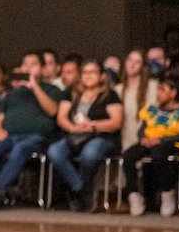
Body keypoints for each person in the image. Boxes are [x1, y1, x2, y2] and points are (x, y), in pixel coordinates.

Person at [0, 52, 64, 208]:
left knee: (20, 149)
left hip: (35, 137)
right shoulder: (13, 94)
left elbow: (52, 110)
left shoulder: (52, 90)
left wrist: (34, 85)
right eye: (25, 64)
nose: (28, 67)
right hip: (9, 135)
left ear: (42, 69)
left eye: (33, 64)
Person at [45, 60, 122, 211]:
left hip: (102, 136)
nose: (88, 76)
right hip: (76, 136)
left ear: (101, 76)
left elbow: (116, 122)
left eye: (92, 72)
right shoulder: (72, 93)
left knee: (90, 154)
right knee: (54, 151)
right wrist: (73, 127)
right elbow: (62, 118)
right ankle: (81, 188)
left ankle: (79, 192)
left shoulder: (109, 95)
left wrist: (93, 125)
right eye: (85, 72)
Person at [123, 77, 179, 216]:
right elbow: (142, 129)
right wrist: (143, 138)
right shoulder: (152, 109)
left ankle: (167, 193)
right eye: (158, 90)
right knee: (128, 155)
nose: (158, 93)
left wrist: (161, 140)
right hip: (149, 141)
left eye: (163, 90)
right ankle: (134, 195)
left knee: (158, 154)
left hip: (171, 142)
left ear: (173, 93)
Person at [116, 49, 158, 150]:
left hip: (149, 138)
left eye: (137, 62)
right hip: (125, 138)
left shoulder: (153, 87)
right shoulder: (118, 89)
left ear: (143, 66)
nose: (132, 64)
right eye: (130, 60)